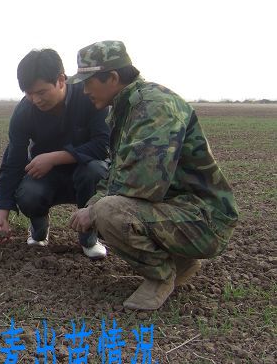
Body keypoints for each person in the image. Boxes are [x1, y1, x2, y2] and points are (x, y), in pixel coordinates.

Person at [68, 40, 239, 310]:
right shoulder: (129, 107)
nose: (85, 90)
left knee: (109, 212)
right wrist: (92, 205)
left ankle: (160, 276)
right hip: (182, 211)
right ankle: (182, 262)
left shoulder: (153, 106)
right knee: (102, 207)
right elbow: (117, 171)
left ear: (112, 78)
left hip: (205, 220)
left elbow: (142, 182)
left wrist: (94, 211)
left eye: (89, 82)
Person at [0, 48, 110, 258]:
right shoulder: (24, 113)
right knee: (28, 193)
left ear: (61, 80)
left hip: (85, 172)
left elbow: (103, 145)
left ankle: (88, 238)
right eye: (29, 93)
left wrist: (54, 158)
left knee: (95, 171)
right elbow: (13, 162)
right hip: (45, 176)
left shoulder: (89, 97)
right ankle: (38, 229)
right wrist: (2, 211)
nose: (35, 99)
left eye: (41, 92)